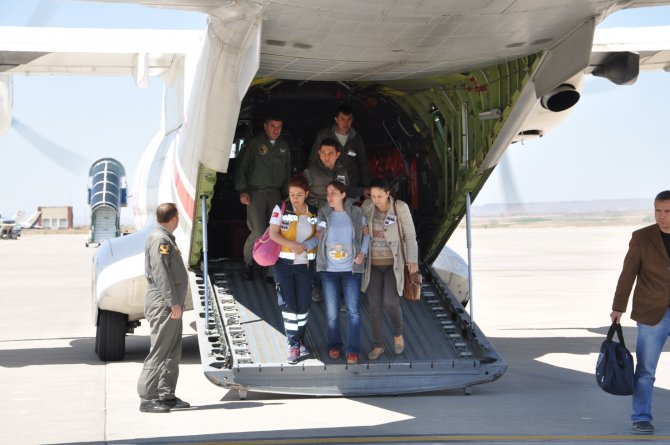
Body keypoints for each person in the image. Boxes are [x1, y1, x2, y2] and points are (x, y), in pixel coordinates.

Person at [610, 190, 670, 434]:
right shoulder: (642, 237)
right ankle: (641, 417)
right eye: (658, 211)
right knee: (645, 370)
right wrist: (618, 307)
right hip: (651, 312)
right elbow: (628, 274)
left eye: (667, 212)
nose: (662, 216)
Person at [137, 203, 190, 413]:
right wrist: (172, 302)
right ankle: (147, 397)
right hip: (163, 303)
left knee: (172, 351)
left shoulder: (165, 238)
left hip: (169, 302)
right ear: (175, 218)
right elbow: (161, 275)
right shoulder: (160, 240)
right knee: (160, 350)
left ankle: (166, 394)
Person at [361, 179, 419, 360]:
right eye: (373, 196)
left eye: (379, 196)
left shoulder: (400, 208)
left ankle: (398, 334)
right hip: (374, 264)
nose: (376, 199)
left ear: (388, 194)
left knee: (390, 301)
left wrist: (412, 260)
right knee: (374, 305)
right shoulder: (367, 207)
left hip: (394, 264)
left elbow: (410, 236)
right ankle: (378, 345)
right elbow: (361, 230)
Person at [316, 181, 370, 364]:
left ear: (343, 194)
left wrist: (363, 253)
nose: (329, 197)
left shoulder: (356, 212)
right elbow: (317, 236)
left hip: (351, 270)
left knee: (354, 311)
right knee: (332, 311)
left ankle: (352, 350)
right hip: (329, 270)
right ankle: (334, 345)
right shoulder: (323, 212)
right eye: (327, 193)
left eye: (333, 193)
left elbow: (366, 234)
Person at [267, 174, 319, 364]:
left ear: (306, 194)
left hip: (305, 266)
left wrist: (305, 245)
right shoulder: (281, 209)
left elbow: (321, 234)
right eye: (291, 194)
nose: (294, 198)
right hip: (283, 266)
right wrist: (292, 245)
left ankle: (300, 338)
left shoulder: (315, 212)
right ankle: (293, 344)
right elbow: (273, 234)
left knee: (303, 305)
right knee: (289, 306)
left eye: (298, 194)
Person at [235, 114, 292, 280]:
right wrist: (242, 190)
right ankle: (248, 262)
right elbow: (241, 168)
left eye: (279, 127)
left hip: (275, 193)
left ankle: (270, 270)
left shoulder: (284, 146)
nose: (276, 130)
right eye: (273, 126)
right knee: (258, 230)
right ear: (265, 126)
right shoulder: (254, 144)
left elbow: (287, 171)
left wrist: (286, 195)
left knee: (275, 230)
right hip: (255, 193)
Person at [308, 104, 369, 197]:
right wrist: (312, 181)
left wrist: (367, 187)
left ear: (352, 120)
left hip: (350, 186)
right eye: (342, 119)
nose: (346, 123)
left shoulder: (356, 137)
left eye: (349, 119)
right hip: (326, 185)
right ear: (336, 119)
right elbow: (313, 160)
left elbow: (363, 163)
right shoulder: (324, 134)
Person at [303, 138, 356, 210]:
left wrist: (363, 191)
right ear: (319, 153)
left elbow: (348, 190)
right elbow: (297, 191)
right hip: (317, 211)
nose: (326, 157)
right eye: (323, 153)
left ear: (337, 155)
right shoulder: (310, 172)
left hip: (338, 210)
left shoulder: (343, 170)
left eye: (330, 153)